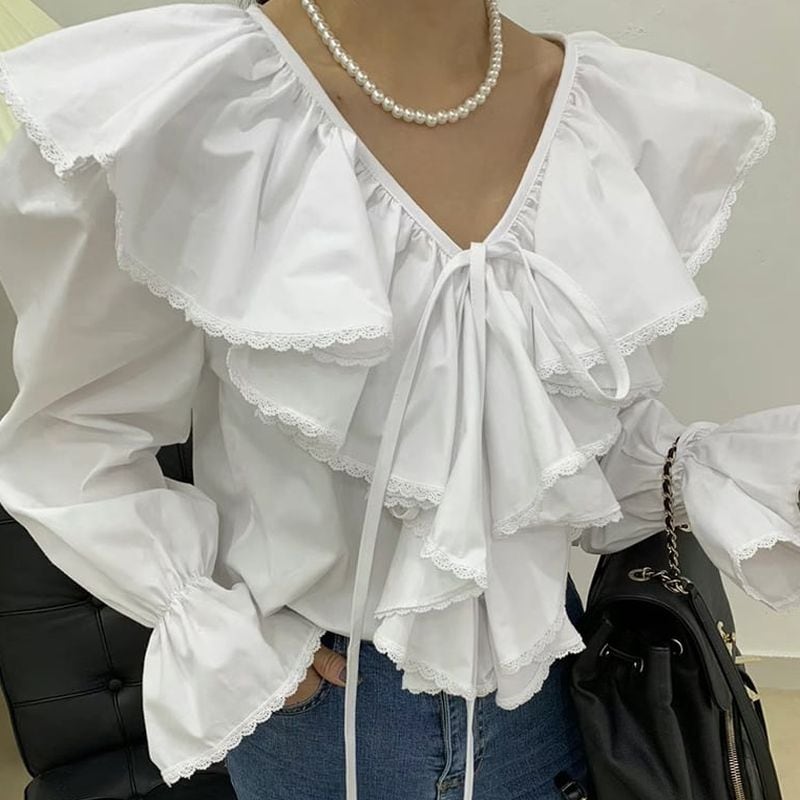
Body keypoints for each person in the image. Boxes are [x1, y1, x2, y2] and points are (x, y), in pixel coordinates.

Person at [0, 0, 796, 798]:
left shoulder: (606, 120)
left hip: (543, 686)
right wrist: (220, 632)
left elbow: (567, 448)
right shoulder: (200, 106)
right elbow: (71, 432)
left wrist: (709, 472)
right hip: (325, 716)